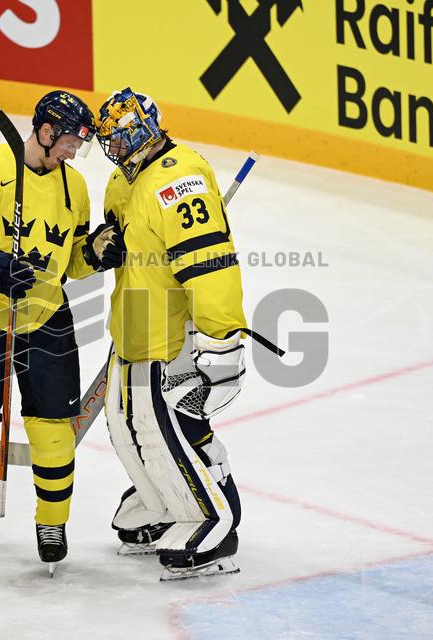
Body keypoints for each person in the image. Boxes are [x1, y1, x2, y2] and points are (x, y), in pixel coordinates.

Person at [0, 90, 117, 578]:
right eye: (72, 140)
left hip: (47, 316)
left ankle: (52, 524)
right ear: (47, 131)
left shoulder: (75, 188)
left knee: (54, 433)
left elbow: (69, 263)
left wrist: (93, 254)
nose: (76, 151)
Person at [95, 88, 274, 580]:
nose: (117, 146)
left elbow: (211, 266)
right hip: (132, 329)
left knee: (175, 431)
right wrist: (100, 244)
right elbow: (120, 245)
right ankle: (164, 503)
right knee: (129, 432)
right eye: (111, 138)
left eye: (125, 135)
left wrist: (221, 344)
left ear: (147, 131)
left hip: (173, 337)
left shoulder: (182, 180)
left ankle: (215, 520)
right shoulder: (121, 180)